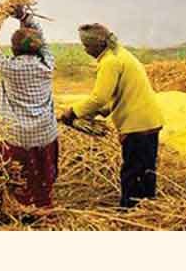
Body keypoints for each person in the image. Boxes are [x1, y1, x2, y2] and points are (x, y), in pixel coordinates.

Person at [59, 23, 164, 208]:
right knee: (146, 169)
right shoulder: (121, 54)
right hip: (149, 119)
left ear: (98, 45)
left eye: (86, 45)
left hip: (137, 123)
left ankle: (130, 211)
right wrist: (98, 112)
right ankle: (148, 207)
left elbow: (99, 97)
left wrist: (73, 112)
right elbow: (115, 96)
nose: (85, 49)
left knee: (132, 171)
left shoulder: (109, 62)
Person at [0, 5, 58, 210]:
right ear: (37, 48)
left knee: (19, 175)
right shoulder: (47, 65)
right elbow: (40, 38)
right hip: (44, 133)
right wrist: (24, 17)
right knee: (42, 172)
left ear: (14, 49)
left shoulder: (7, 67)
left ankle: (20, 207)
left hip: (16, 135)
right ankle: (43, 204)